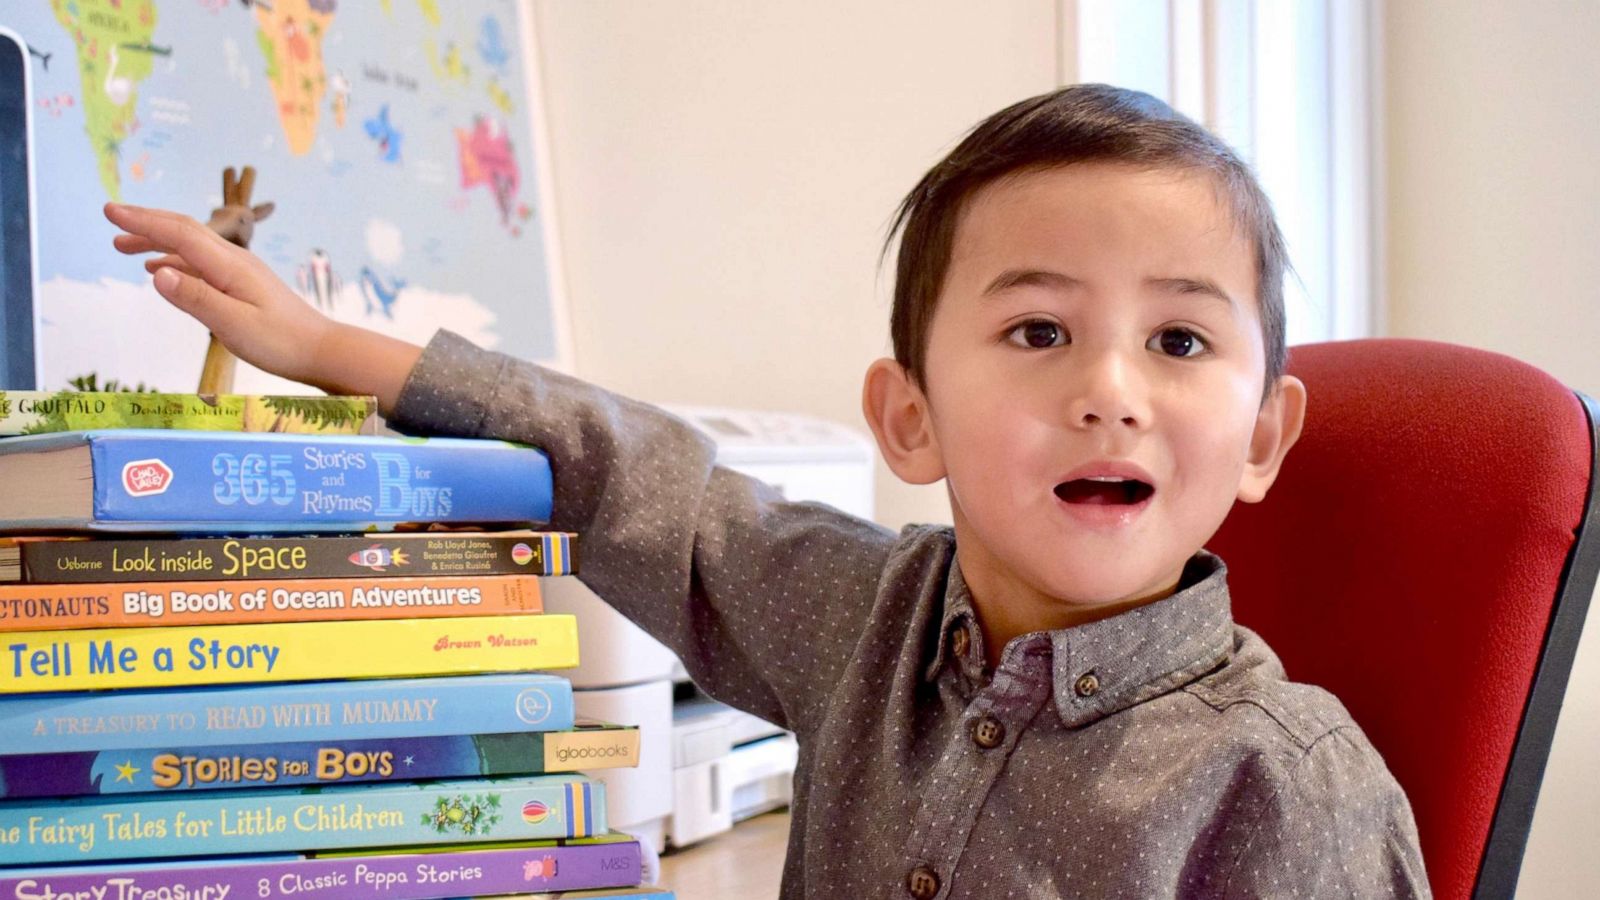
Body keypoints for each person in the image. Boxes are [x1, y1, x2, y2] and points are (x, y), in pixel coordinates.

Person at [105, 84, 1430, 899]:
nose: (1111, 391)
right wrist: (332, 348)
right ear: (910, 419)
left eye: (1181, 342)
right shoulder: (859, 618)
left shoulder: (1295, 790)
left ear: (1262, 437)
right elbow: (646, 483)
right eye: (1039, 332)